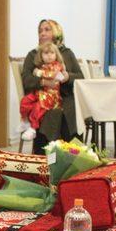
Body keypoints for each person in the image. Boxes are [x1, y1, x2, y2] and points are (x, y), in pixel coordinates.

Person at [21, 19, 83, 154]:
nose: (42, 33)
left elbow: (80, 77)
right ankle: (46, 159)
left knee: (72, 110)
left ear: (57, 32)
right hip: (43, 99)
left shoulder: (67, 53)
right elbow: (26, 79)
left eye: (47, 29)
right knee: (52, 114)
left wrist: (67, 77)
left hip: (66, 98)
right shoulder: (33, 54)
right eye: (40, 31)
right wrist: (43, 82)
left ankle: (73, 157)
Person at [19, 42, 67, 140]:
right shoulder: (43, 66)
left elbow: (52, 75)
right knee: (25, 101)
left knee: (37, 108)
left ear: (56, 54)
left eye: (52, 53)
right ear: (41, 56)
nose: (49, 55)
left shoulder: (57, 66)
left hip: (51, 96)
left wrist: (38, 72)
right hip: (40, 93)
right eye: (46, 53)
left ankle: (33, 128)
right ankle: (25, 121)